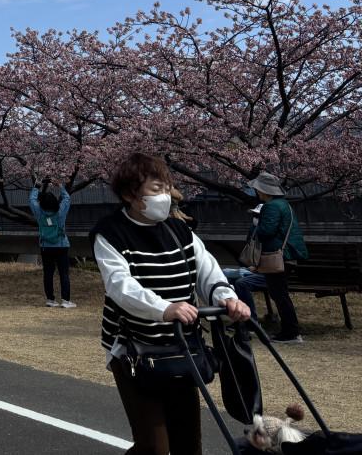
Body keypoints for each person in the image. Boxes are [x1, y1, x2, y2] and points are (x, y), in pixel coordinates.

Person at [93, 152, 251, 455]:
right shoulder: (110, 232)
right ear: (130, 195)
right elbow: (120, 286)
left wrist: (227, 298)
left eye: (166, 188)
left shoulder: (179, 230)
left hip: (182, 348)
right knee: (153, 447)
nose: (164, 196)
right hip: (133, 351)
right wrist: (163, 308)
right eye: (155, 189)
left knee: (188, 443)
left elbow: (207, 271)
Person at [249, 172, 308, 343]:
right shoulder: (284, 205)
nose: (256, 192)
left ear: (264, 190)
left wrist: (256, 225)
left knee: (279, 294)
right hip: (287, 254)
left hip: (278, 256)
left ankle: (291, 332)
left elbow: (266, 231)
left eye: (258, 189)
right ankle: (291, 330)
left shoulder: (271, 207)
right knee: (281, 294)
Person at [30, 177, 74, 307]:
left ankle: (50, 299)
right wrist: (60, 186)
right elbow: (67, 199)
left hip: (45, 246)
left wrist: (37, 186)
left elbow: (32, 200)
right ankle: (65, 301)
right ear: (55, 201)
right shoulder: (60, 212)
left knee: (48, 273)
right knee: (63, 273)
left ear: (42, 203)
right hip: (61, 245)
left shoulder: (39, 212)